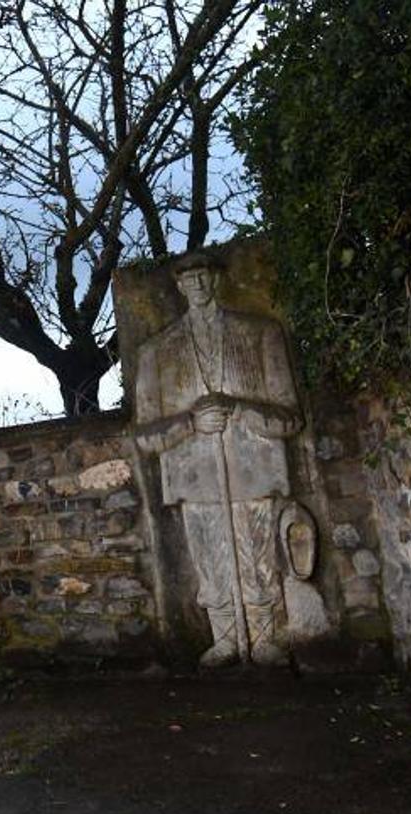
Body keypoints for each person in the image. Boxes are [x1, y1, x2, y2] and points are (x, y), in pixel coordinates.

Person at [133, 252, 303, 667]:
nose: (198, 284)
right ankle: (224, 639)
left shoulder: (261, 333)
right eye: (188, 277)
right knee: (210, 564)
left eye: (205, 275)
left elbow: (290, 417)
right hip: (195, 479)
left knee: (258, 559)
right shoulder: (157, 351)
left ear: (216, 278)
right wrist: (190, 422)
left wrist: (240, 409)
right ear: (178, 285)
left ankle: (263, 638)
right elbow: (144, 436)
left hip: (253, 470)